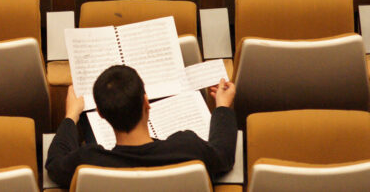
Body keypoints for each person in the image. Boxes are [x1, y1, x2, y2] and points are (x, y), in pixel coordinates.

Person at [46, 65, 238, 187]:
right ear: (146, 102)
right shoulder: (188, 148)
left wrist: (71, 115)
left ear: (101, 114)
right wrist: (222, 106)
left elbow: (54, 164)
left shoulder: (89, 162)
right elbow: (224, 156)